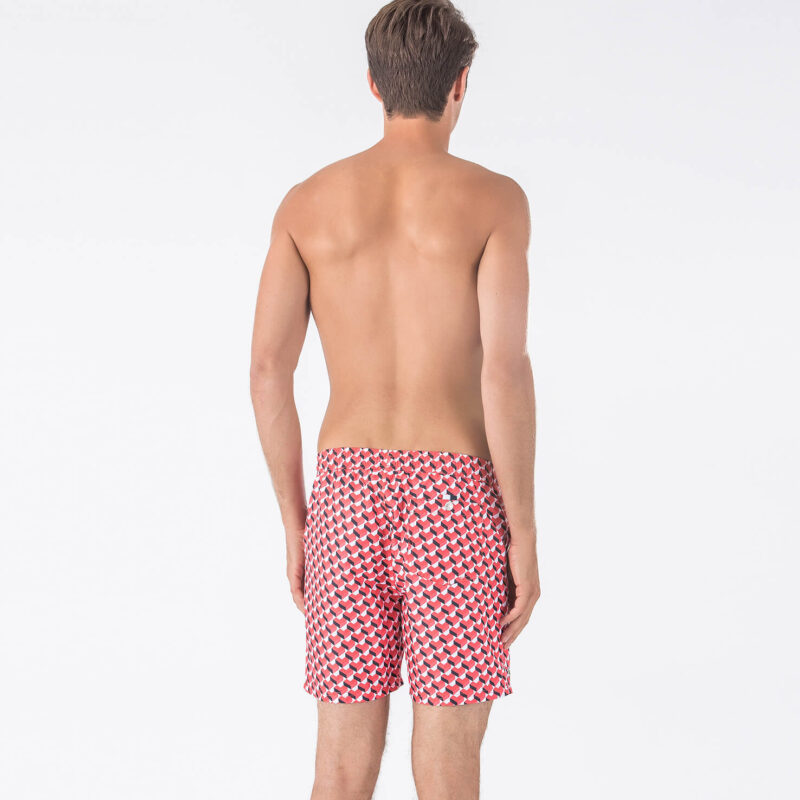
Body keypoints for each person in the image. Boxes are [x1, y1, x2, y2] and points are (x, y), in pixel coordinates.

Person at [249, 1, 540, 796]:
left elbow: (269, 370)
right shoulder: (495, 201)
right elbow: (503, 371)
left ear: (374, 83)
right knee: (450, 763)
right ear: (461, 83)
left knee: (341, 764)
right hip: (455, 494)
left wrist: (297, 519)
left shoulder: (306, 204)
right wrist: (522, 530)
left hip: (346, 493)